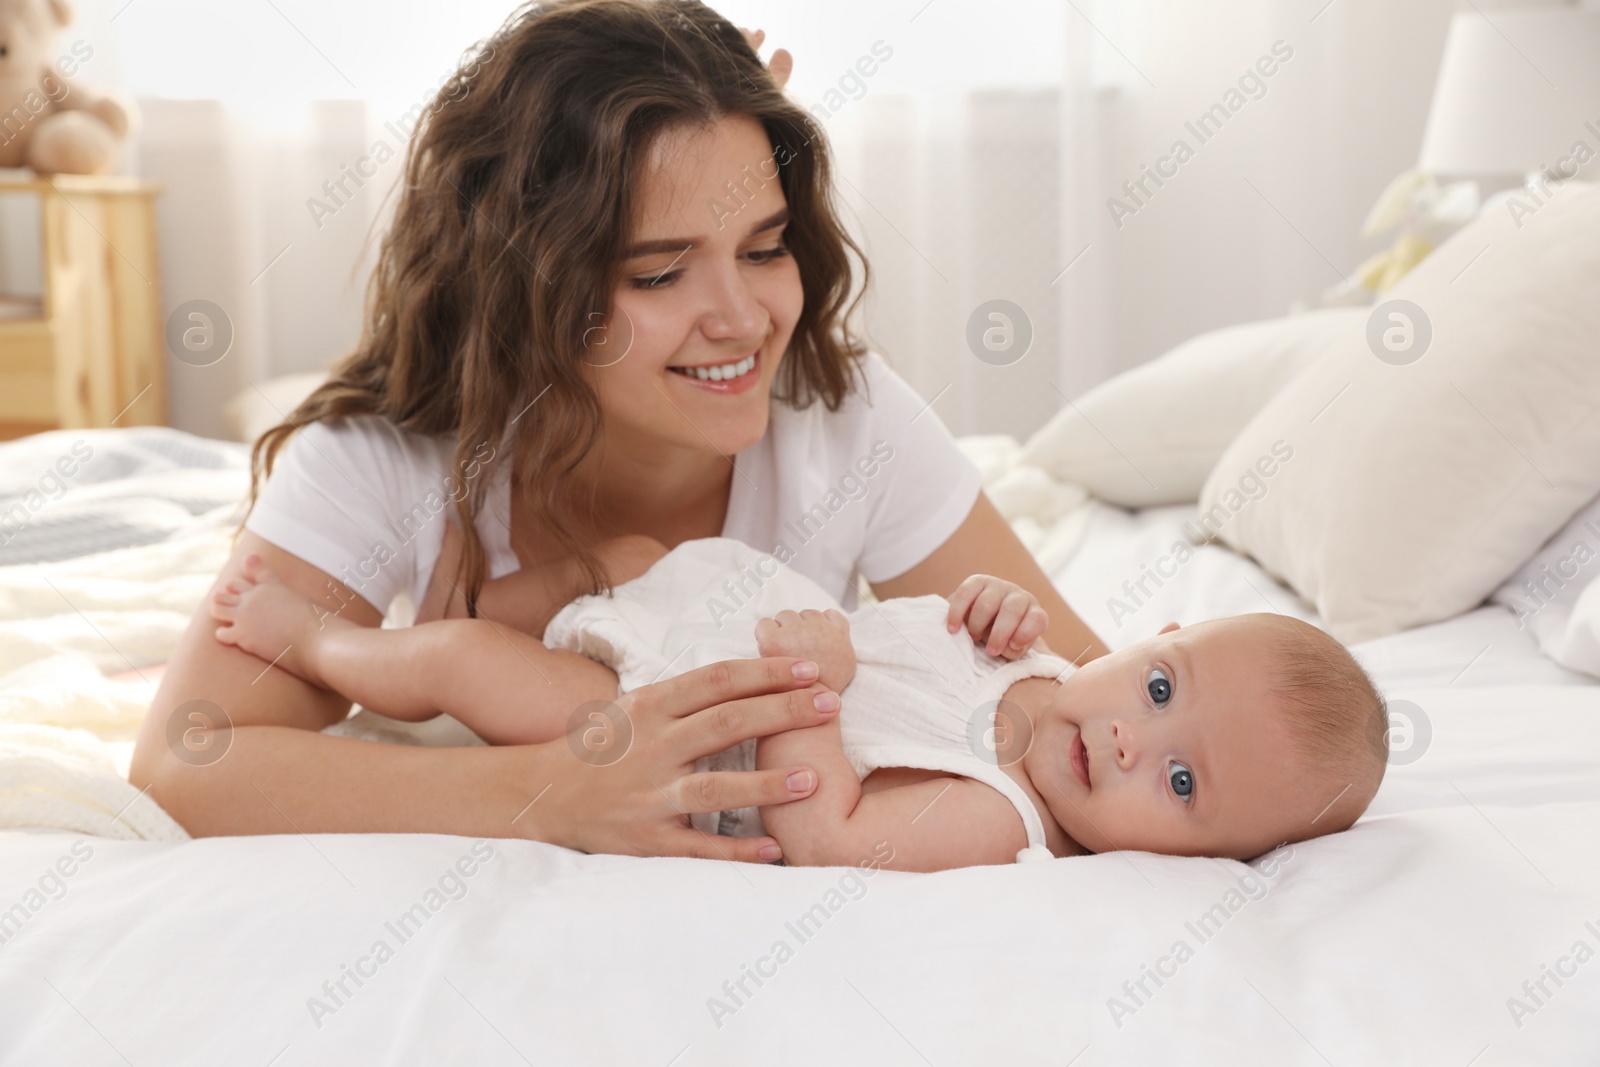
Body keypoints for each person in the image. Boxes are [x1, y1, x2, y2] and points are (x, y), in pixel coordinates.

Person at [128, 0, 1111, 862]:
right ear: (526, 288)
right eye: (657, 272)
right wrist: (554, 791)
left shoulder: (840, 412)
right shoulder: (385, 453)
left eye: (764, 247)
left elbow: (1096, 699)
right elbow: (185, 755)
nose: (740, 317)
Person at [208, 537, 1388, 869]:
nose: (1133, 733)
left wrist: (816, 683)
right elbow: (928, 635)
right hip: (713, 634)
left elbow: (830, 831)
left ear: (1210, 855)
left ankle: (319, 640)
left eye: (1180, 782)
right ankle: (544, 583)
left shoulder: (1000, 822)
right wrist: (977, 604)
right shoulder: (1045, 672)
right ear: (1152, 639)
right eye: (1162, 686)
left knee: (466, 658)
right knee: (600, 563)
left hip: (670, 731)